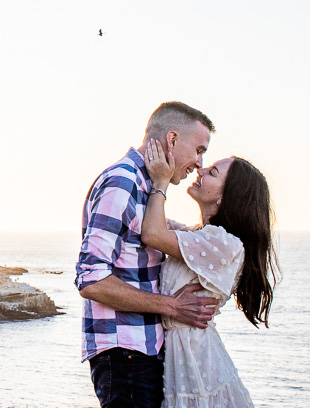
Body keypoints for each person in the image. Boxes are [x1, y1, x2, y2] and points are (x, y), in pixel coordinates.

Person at [76, 101, 220, 408]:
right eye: (198, 150)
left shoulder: (148, 186)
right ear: (172, 140)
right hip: (125, 354)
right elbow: (91, 279)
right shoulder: (123, 182)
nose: (199, 162)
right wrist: (172, 307)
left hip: (142, 351)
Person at [141, 138, 278, 407]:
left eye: (212, 172)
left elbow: (153, 233)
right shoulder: (199, 235)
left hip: (198, 365)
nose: (201, 170)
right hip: (181, 356)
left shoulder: (225, 244)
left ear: (223, 197)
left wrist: (161, 182)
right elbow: (155, 224)